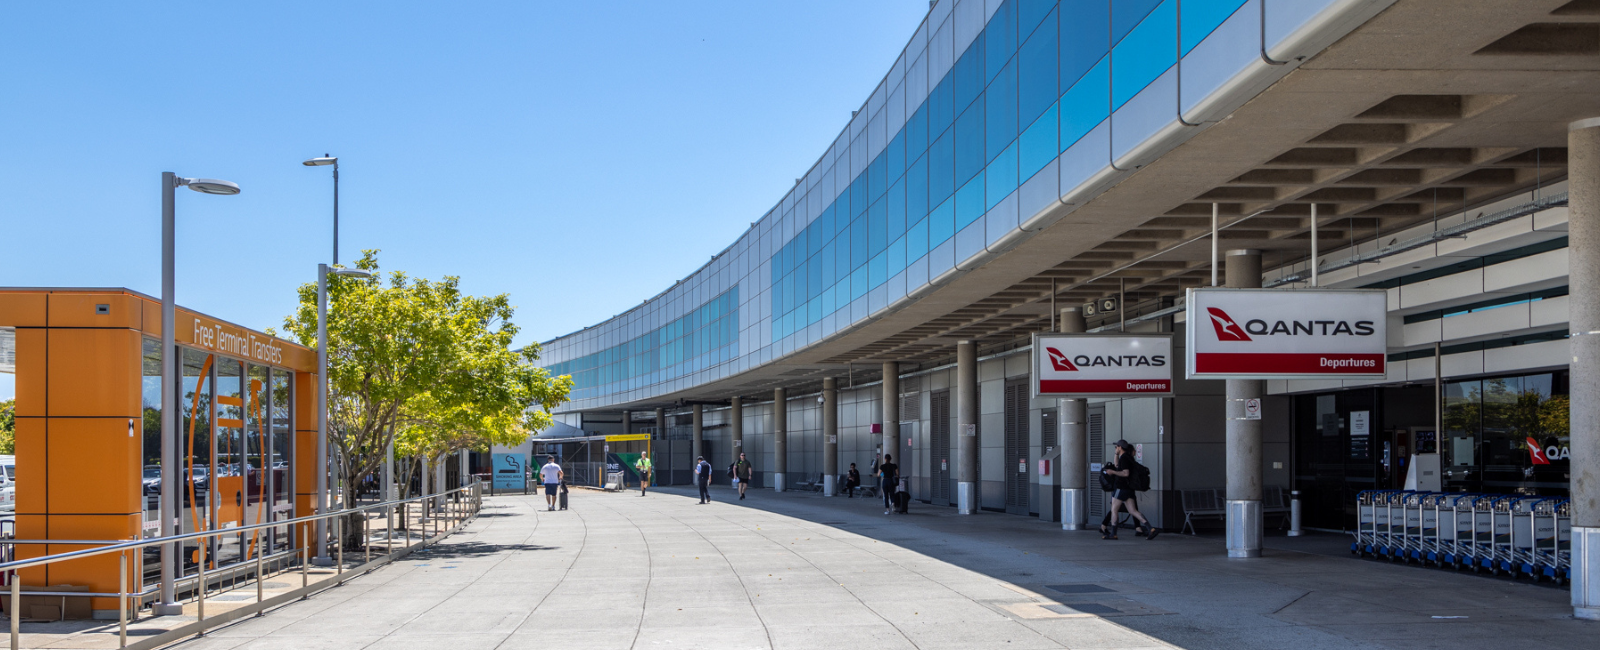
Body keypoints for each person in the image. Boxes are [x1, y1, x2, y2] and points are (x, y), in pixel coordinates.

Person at [1101, 441, 1157, 540]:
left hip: (1121, 487)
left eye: (1116, 447)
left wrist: (1112, 472)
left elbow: (1125, 473)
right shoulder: (1127, 458)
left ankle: (1113, 533)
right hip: (1128, 489)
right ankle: (1150, 528)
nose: (1116, 448)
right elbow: (1117, 465)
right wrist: (1116, 454)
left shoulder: (1124, 459)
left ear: (1120, 447)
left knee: (1114, 510)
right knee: (1133, 510)